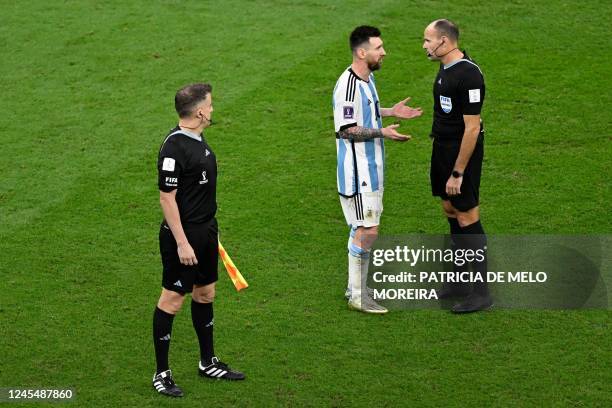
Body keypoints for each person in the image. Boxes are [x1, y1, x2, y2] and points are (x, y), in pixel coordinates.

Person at [152, 83, 244, 398]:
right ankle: (161, 373)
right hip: (184, 236)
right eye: (211, 105)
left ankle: (208, 362)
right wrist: (182, 242)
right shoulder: (174, 147)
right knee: (173, 299)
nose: (214, 109)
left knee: (205, 293)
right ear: (201, 112)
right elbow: (167, 199)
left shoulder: (196, 137)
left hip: (204, 232)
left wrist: (209, 233)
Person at [333, 25, 423, 314]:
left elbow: (365, 112)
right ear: (362, 52)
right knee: (368, 230)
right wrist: (383, 132)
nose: (384, 52)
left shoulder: (366, 79)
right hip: (359, 173)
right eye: (379, 47)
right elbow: (346, 130)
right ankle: (358, 296)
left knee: (363, 228)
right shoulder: (347, 86)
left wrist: (389, 112)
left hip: (371, 169)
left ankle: (356, 287)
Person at [422, 19, 493, 313]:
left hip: (461, 153)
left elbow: (472, 129)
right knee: (450, 209)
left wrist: (458, 171)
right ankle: (461, 280)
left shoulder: (469, 75)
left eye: (428, 40)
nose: (424, 45)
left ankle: (481, 292)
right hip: (442, 147)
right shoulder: (446, 66)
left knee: (467, 216)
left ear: (444, 42)